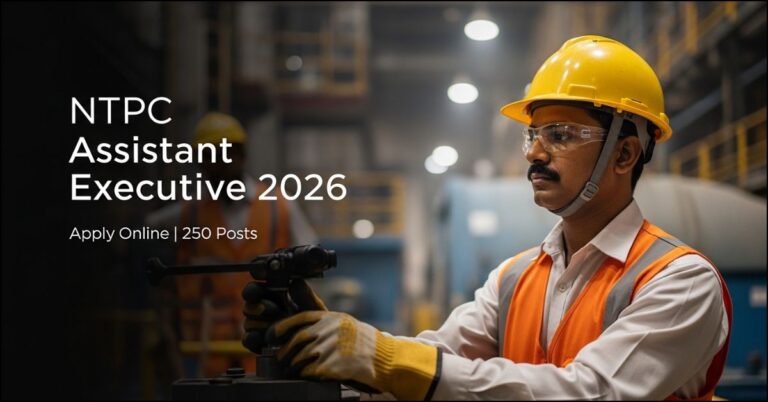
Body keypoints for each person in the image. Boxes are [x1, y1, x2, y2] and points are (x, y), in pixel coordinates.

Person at [241, 36, 732, 400]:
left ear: (624, 155)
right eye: (532, 135)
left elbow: (591, 391)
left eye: (560, 135)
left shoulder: (680, 282)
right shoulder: (513, 278)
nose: (534, 153)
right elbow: (434, 360)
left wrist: (386, 359)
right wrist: (330, 344)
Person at [146, 111, 317, 377]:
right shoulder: (188, 215)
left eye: (222, 156)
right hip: (203, 354)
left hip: (267, 349)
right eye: (207, 158)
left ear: (241, 155)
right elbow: (146, 231)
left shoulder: (280, 208)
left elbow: (311, 258)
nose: (215, 165)